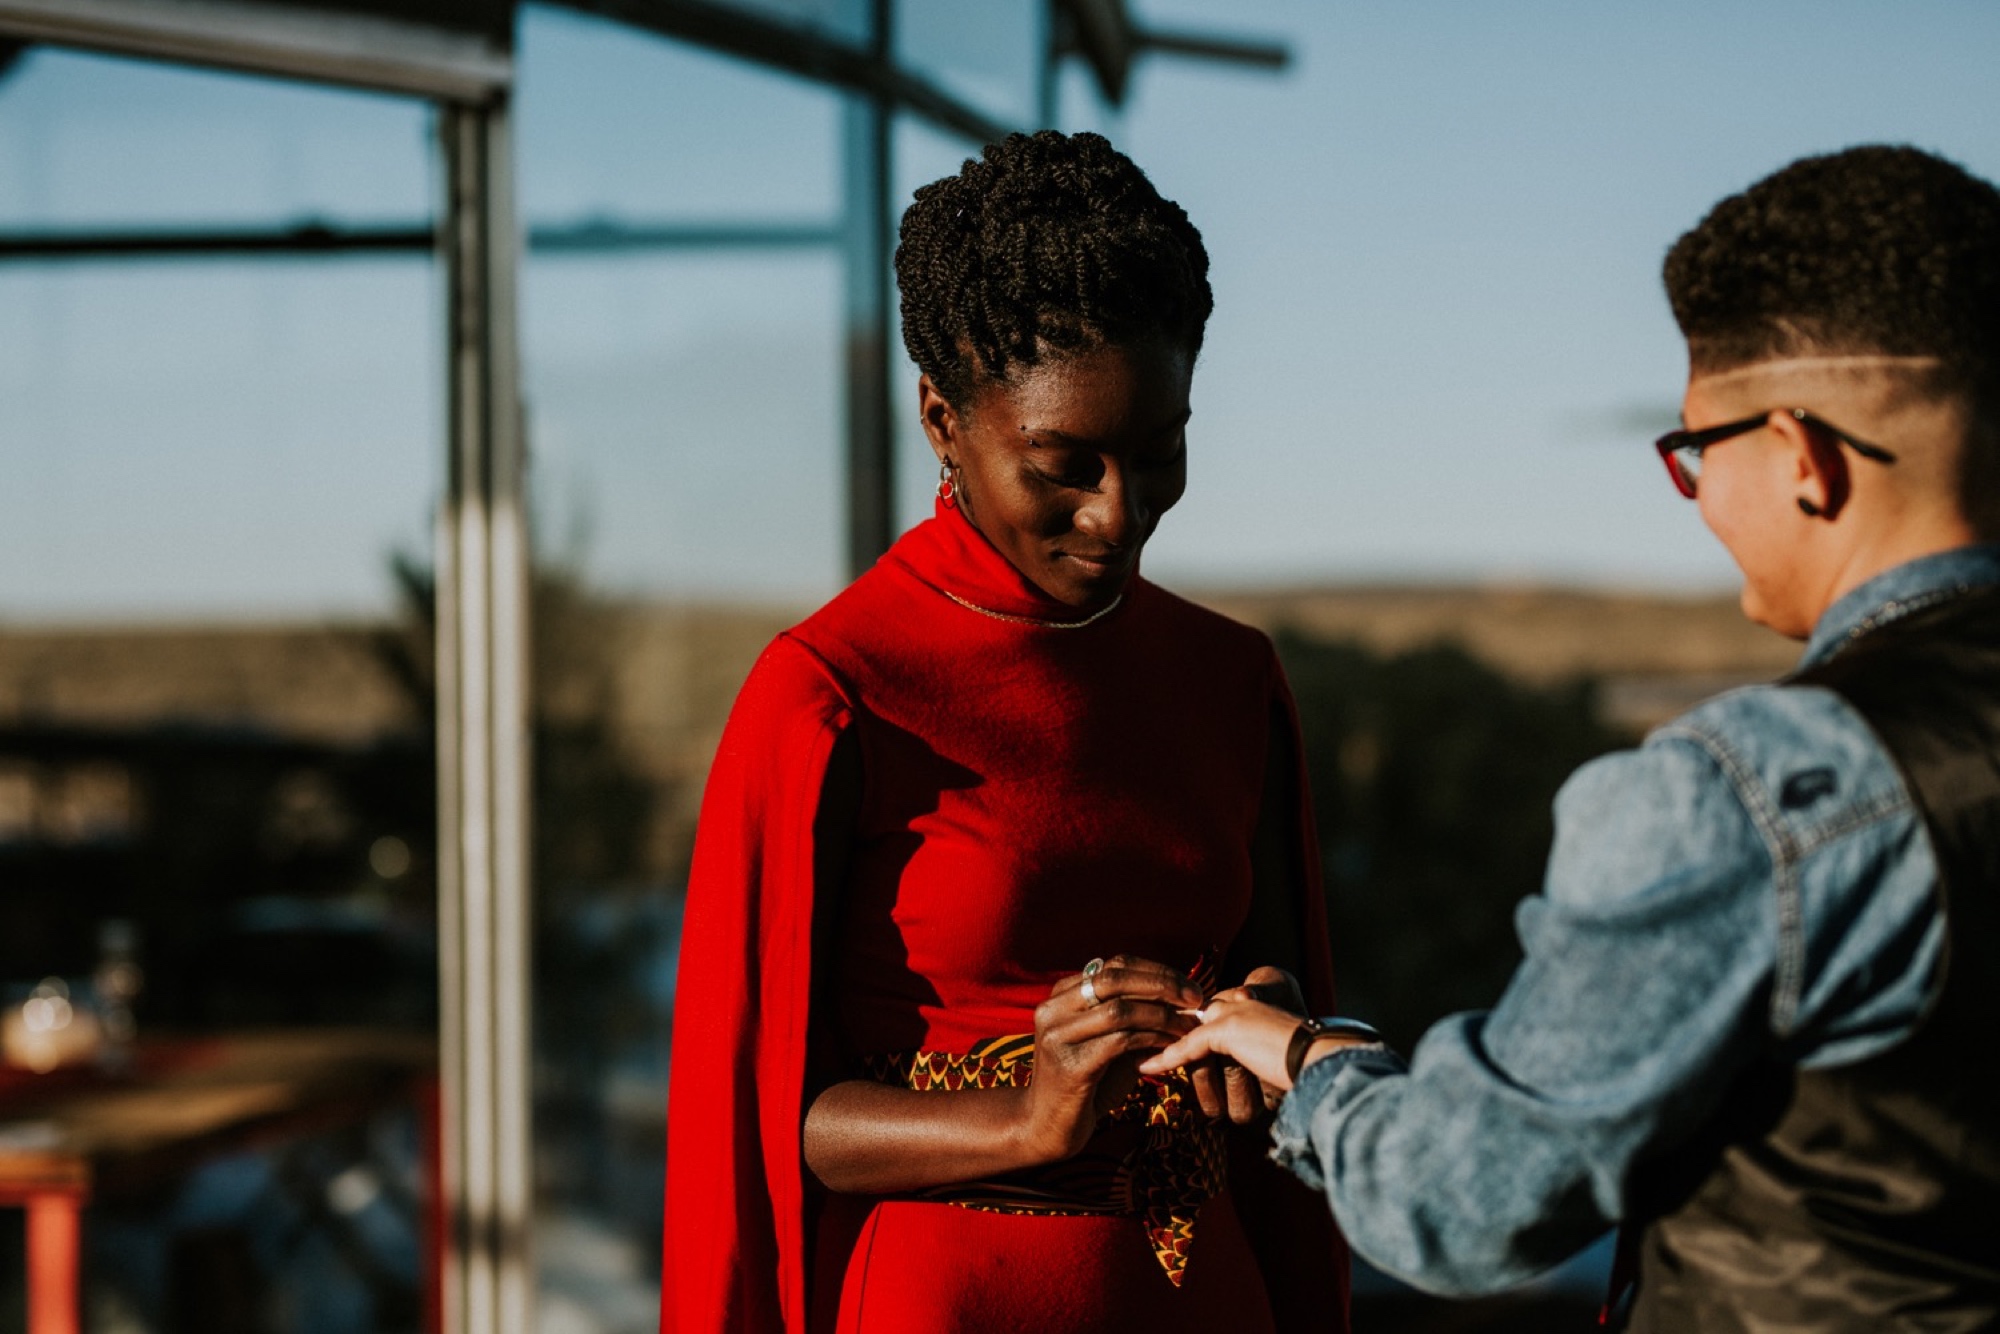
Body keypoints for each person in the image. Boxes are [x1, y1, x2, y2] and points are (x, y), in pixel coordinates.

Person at [1144, 143, 2000, 1330]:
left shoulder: (1755, 791)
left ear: (1801, 458)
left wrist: (1309, 1060)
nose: (1693, 491)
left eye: (1695, 449)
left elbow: (1459, 1196)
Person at [661, 130, 1347, 1334]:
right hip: (952, 1303)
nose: (1119, 512)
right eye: (1062, 463)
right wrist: (1025, 1115)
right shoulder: (828, 691)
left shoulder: (1229, 675)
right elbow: (763, 1126)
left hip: (1204, 1292)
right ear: (941, 416)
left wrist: (1255, 1020)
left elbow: (1283, 966)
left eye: (1158, 451)